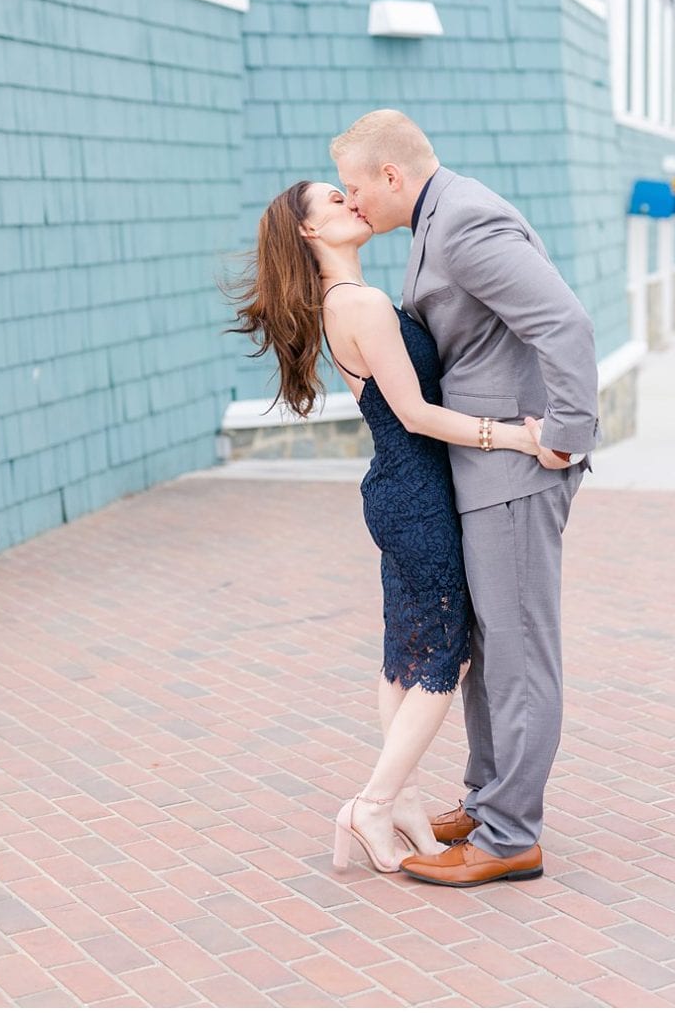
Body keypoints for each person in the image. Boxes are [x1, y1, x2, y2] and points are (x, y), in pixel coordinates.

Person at [227, 181, 549, 874]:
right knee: (444, 656)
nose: (352, 204)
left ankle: (398, 799)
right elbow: (418, 415)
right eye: (335, 201)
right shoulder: (363, 305)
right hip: (418, 494)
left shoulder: (346, 303)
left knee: (404, 652)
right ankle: (373, 802)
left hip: (398, 492)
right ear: (311, 233)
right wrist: (520, 438)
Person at [331, 109, 599, 888]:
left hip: (517, 470)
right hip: (480, 474)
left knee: (517, 652)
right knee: (490, 645)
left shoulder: (464, 222)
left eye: (356, 189)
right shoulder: (433, 223)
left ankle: (512, 834)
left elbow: (565, 323)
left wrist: (567, 432)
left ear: (392, 175)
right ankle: (488, 802)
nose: (353, 206)